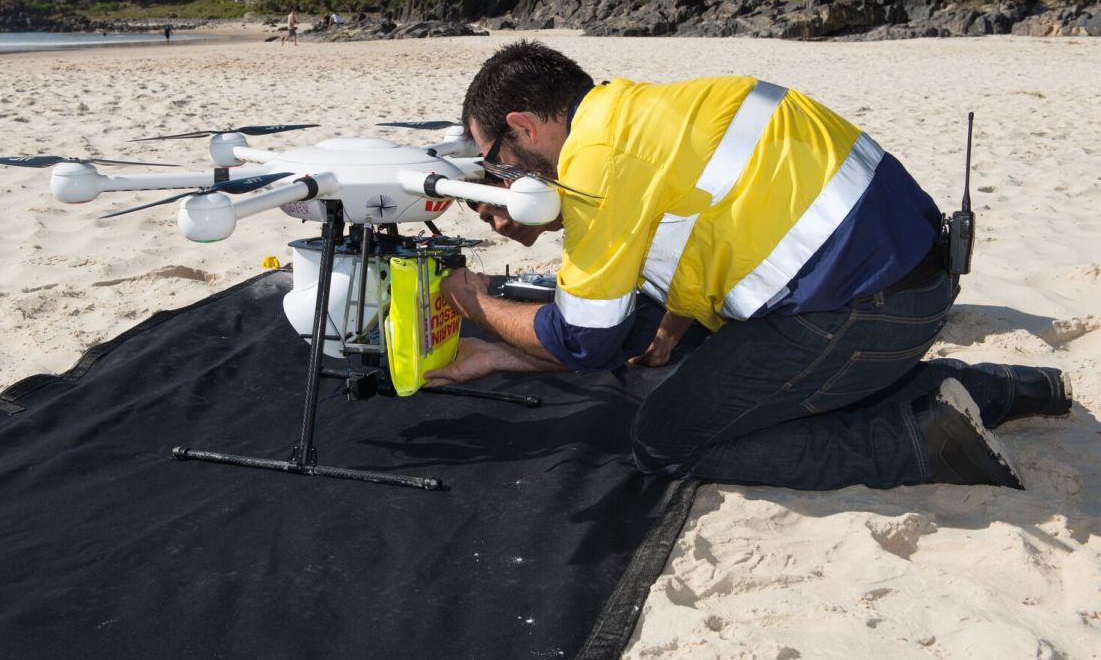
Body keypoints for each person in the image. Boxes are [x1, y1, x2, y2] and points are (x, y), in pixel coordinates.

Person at [427, 40, 1072, 491]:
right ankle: (1007, 388)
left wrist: (471, 297)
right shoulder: (640, 111)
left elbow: (585, 339)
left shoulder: (595, 165)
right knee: (708, 357)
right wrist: (498, 355)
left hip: (866, 314)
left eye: (500, 165)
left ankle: (913, 448)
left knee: (666, 441)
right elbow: (696, 237)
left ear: (524, 127)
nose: (505, 184)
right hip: (917, 279)